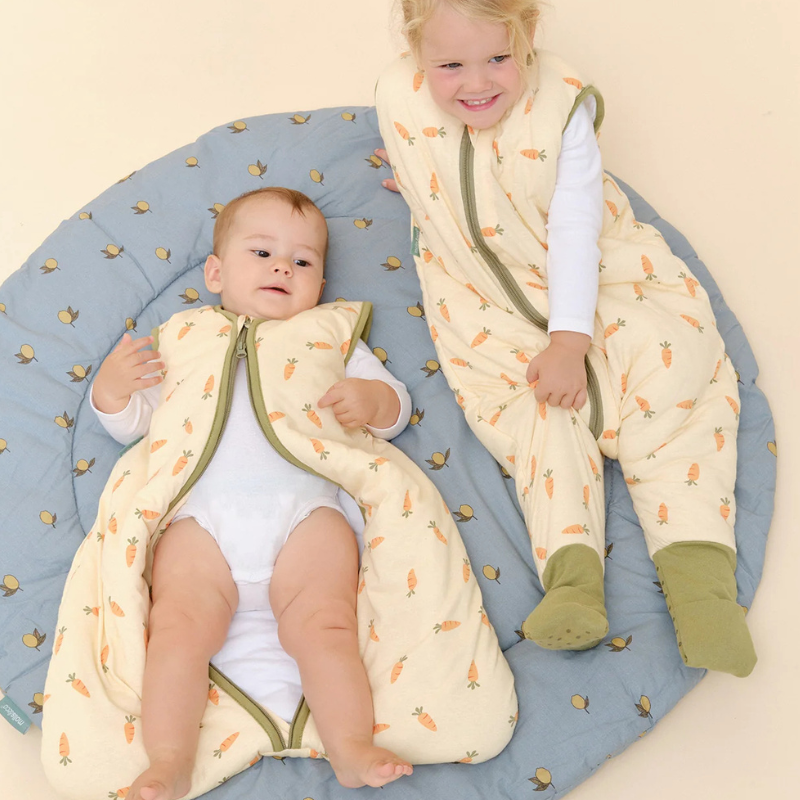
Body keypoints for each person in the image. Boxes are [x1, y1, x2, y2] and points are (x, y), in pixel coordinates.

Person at [374, 0, 756, 676]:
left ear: (527, 36)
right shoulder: (401, 102)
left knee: (675, 386)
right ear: (414, 53)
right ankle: (572, 584)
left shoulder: (561, 109)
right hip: (485, 308)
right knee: (537, 424)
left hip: (598, 282)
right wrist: (418, 178)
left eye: (499, 58)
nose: (477, 83)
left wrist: (570, 343)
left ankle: (703, 591)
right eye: (451, 66)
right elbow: (445, 174)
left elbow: (576, 229)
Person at [89, 186, 415, 798]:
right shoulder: (183, 339)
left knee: (327, 626)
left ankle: (350, 747)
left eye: (302, 260)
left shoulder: (330, 337)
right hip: (202, 523)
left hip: (306, 517)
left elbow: (396, 407)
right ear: (216, 273)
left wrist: (374, 401)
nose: (282, 267)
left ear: (321, 284)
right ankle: (168, 762)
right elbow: (133, 424)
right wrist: (111, 390)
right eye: (262, 252)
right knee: (176, 628)